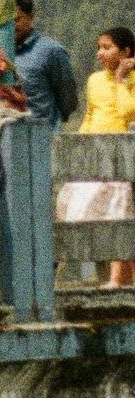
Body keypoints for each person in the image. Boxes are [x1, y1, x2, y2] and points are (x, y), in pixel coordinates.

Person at [62, 24, 135, 288]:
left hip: (124, 160)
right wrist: (80, 147)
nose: (100, 54)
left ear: (125, 51)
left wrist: (121, 79)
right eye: (98, 48)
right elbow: (90, 116)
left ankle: (119, 280)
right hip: (96, 156)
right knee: (75, 209)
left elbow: (129, 113)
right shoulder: (94, 80)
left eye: (107, 48)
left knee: (120, 213)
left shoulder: (132, 79)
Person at [0, 0, 81, 129]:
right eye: (4, 22)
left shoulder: (51, 51)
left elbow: (68, 99)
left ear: (31, 16)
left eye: (16, 20)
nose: (10, 27)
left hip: (39, 139)